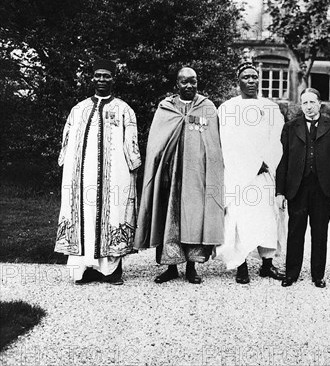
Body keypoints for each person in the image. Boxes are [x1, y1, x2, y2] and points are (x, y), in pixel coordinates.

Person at [55, 59, 141, 285]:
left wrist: (133, 167)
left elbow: (132, 144)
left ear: (114, 79)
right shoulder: (79, 109)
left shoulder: (124, 110)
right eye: (98, 76)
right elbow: (67, 141)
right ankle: (85, 269)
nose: (102, 80)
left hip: (113, 176)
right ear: (92, 78)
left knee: (112, 215)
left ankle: (111, 270)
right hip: (82, 177)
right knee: (84, 216)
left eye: (107, 76)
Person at [135, 67, 224, 284]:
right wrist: (160, 171)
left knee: (193, 219)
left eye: (193, 82)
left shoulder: (207, 107)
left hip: (197, 178)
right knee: (170, 217)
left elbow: (214, 146)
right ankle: (171, 267)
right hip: (169, 176)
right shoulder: (166, 108)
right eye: (184, 82)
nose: (189, 86)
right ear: (177, 84)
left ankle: (192, 267)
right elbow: (156, 144)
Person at [216, 63, 285, 284]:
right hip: (239, 174)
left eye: (255, 77)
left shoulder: (270, 108)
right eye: (246, 77)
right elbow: (225, 143)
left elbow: (277, 139)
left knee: (268, 219)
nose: (251, 81)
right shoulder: (227, 108)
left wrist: (266, 162)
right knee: (240, 220)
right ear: (239, 81)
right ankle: (241, 265)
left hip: (264, 173)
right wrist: (248, 164)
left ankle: (267, 264)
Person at [276, 88, 330, 288]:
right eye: (304, 103)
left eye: (312, 102)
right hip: (296, 187)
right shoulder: (291, 127)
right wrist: (280, 191)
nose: (308, 107)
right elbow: (283, 160)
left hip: (323, 188)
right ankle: (291, 273)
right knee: (295, 231)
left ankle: (318, 275)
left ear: (320, 104)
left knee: (320, 232)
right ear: (300, 105)